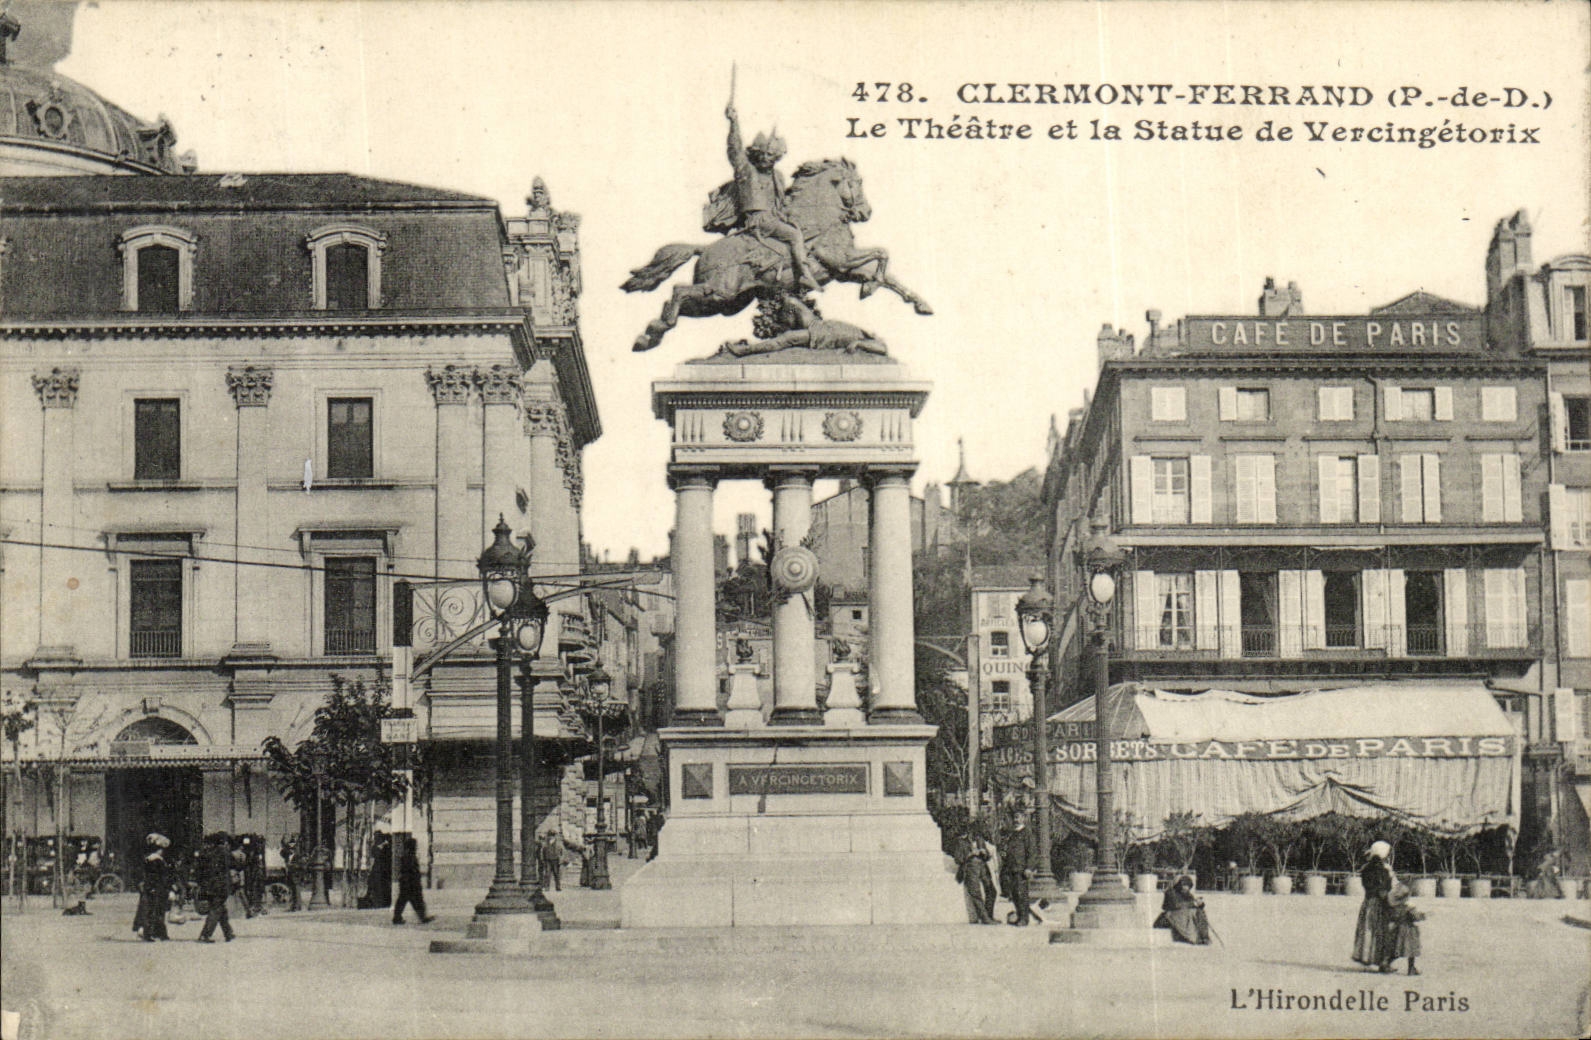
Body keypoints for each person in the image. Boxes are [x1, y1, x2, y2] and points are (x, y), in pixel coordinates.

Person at [722, 102, 821, 292]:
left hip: (773, 218)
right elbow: (735, 148)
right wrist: (734, 122)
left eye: (773, 157)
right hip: (757, 220)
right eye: (766, 155)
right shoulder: (746, 169)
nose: (769, 160)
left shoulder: (778, 177)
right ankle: (804, 276)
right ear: (758, 154)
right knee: (793, 235)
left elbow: (780, 203)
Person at [1352, 840, 1396, 972]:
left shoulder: (1366, 868)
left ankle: (1369, 958)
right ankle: (1383, 963)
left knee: (1369, 930)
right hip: (1380, 903)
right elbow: (1384, 887)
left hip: (1368, 902)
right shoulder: (1383, 869)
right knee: (1382, 932)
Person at [196, 832, 235, 943]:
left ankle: (228, 933)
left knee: (220, 908)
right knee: (216, 909)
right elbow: (235, 865)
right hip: (221, 885)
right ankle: (205, 935)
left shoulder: (205, 853)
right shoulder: (224, 853)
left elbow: (199, 870)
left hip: (207, 885)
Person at [132, 833, 172, 942]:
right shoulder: (157, 860)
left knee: (152, 910)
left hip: (151, 888)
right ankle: (150, 933)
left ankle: (158, 933)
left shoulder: (148, 859)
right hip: (156, 888)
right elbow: (156, 876)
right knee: (154, 911)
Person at [1001, 814, 1038, 926]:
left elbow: (1032, 852)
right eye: (1015, 817)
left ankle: (1024, 918)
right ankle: (1019, 916)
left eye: (1018, 817)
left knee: (1021, 894)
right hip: (1011, 868)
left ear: (1023, 819)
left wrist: (1029, 868)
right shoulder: (1012, 833)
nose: (1016, 820)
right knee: (1015, 895)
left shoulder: (1027, 834)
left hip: (1021, 869)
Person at [1154, 876, 1211, 945]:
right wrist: (1193, 903)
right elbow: (1176, 905)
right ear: (1178, 885)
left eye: (1188, 885)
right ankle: (1195, 938)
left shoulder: (1188, 894)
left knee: (1199, 912)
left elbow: (1192, 904)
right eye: (1184, 885)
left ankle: (1204, 936)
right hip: (1170, 916)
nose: (1185, 887)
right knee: (1191, 914)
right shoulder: (1171, 892)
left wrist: (1200, 904)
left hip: (1183, 915)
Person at [956, 833, 997, 925]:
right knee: (976, 893)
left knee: (992, 891)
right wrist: (971, 854)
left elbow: (987, 857)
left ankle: (989, 916)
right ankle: (985, 918)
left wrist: (985, 853)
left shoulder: (980, 839)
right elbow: (958, 859)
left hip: (982, 867)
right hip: (970, 868)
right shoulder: (961, 841)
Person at [391, 835, 432, 925]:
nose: (416, 847)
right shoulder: (409, 857)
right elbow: (411, 871)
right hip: (410, 883)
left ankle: (398, 917)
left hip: (407, 883)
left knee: (408, 901)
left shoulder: (408, 856)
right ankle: (421, 917)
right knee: (414, 900)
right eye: (415, 845)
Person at [1385, 881, 1424, 976]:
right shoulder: (1409, 906)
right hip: (1409, 930)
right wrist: (1423, 915)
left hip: (1397, 929)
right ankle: (1411, 969)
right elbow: (1415, 917)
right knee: (1411, 951)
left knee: (1397, 949)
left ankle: (1386, 963)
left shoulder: (1394, 907)